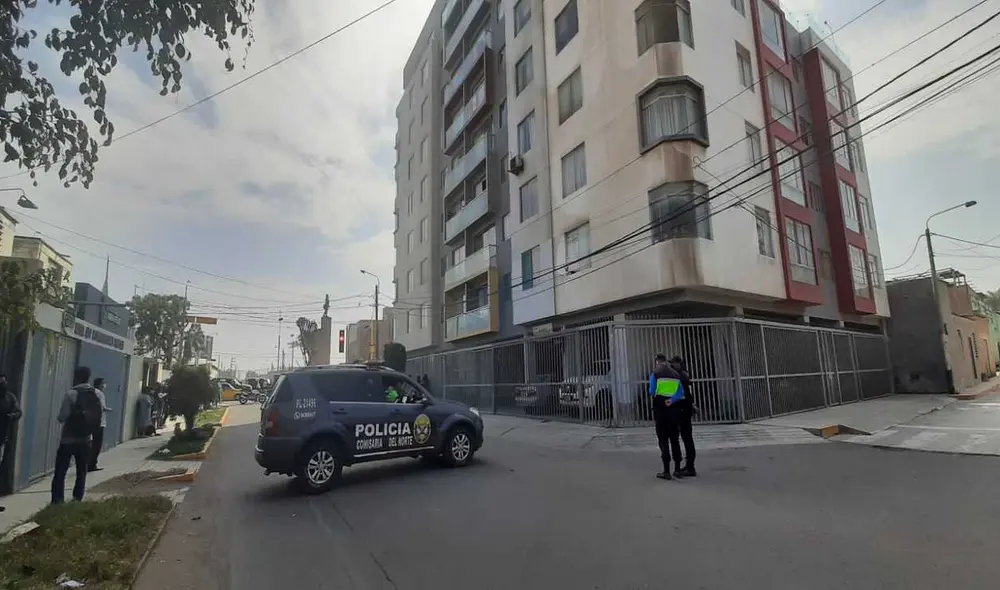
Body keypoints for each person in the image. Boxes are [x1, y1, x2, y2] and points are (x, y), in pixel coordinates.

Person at [51, 366, 102, 504]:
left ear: (77, 377)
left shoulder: (71, 394)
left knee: (60, 471)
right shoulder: (95, 393)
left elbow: (62, 417)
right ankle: (77, 499)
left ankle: (57, 501)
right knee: (81, 471)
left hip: (68, 439)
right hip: (86, 439)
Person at [649, 354, 685, 481]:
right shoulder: (676, 374)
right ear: (665, 361)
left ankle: (666, 471)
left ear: (657, 362)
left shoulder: (655, 373)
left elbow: (652, 391)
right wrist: (671, 399)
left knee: (663, 440)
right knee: (675, 439)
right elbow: (681, 393)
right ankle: (677, 469)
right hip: (673, 410)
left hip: (660, 410)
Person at [669, 356, 697, 477]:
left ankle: (690, 468)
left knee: (687, 438)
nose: (671, 366)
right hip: (685, 408)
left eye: (673, 363)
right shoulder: (683, 374)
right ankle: (689, 466)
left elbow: (682, 393)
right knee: (687, 438)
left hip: (683, 410)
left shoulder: (681, 376)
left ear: (679, 363)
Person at [0, 373, 23, 513]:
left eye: (3, 383)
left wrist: (11, 416)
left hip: (1, 438)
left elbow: (18, 411)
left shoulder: (9, 397)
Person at [88, 377, 113, 472]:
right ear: (100, 384)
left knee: (91, 442)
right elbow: (102, 407)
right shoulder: (100, 393)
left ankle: (88, 463)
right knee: (97, 444)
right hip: (99, 422)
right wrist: (109, 409)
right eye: (103, 383)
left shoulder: (91, 392)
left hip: (91, 421)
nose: (104, 385)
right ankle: (92, 464)